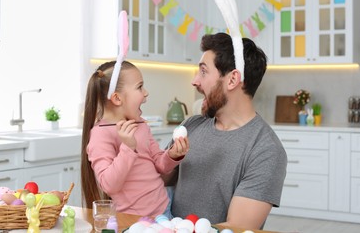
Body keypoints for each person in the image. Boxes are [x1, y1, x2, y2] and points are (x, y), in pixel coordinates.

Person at [169, 33, 287, 230]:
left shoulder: (266, 151)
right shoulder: (191, 125)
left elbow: (235, 228)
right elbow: (156, 177)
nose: (195, 81)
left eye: (204, 72)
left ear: (232, 80)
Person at [81, 60, 189, 218]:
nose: (146, 92)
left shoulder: (140, 125)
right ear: (117, 98)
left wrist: (173, 155)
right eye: (140, 87)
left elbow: (159, 164)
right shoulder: (100, 135)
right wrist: (128, 148)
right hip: (133, 220)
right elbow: (109, 185)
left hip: (164, 209)